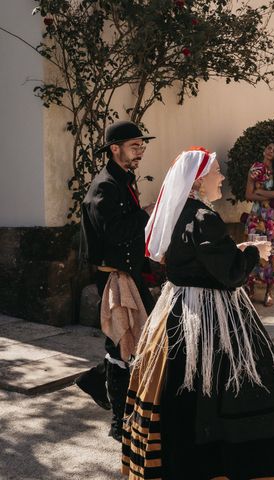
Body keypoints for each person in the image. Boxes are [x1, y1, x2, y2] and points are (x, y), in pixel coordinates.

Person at [122, 147, 274, 480]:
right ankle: (238, 465)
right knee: (235, 386)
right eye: (216, 171)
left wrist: (238, 251)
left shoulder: (177, 212)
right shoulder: (204, 217)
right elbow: (229, 273)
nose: (221, 177)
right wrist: (255, 254)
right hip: (207, 313)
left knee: (181, 391)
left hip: (177, 308)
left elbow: (197, 258)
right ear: (199, 180)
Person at [77, 120, 156, 441]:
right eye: (135, 145)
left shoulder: (121, 181)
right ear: (115, 149)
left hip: (129, 274)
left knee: (139, 336)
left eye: (141, 145)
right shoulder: (105, 186)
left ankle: (97, 383)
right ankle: (118, 421)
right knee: (121, 342)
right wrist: (146, 213)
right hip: (115, 279)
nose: (141, 150)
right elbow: (115, 234)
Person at [244, 141, 274, 306]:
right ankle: (250, 289)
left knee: (272, 252)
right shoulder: (255, 168)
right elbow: (248, 194)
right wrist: (268, 195)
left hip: (272, 219)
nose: (271, 151)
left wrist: (260, 192)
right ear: (264, 149)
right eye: (269, 147)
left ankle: (269, 292)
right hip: (256, 217)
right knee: (252, 250)